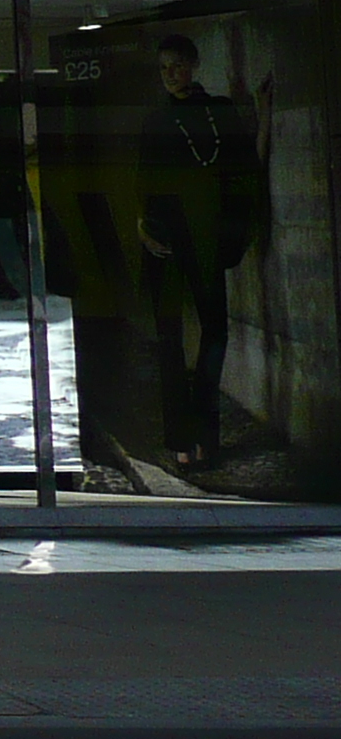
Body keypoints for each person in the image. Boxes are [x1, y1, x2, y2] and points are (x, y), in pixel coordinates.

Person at [136, 32, 266, 470]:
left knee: (211, 332)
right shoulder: (159, 119)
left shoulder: (217, 112)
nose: (170, 74)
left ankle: (201, 435)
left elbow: (245, 167)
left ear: (193, 64)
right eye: (163, 67)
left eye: (176, 64)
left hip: (203, 238)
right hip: (169, 240)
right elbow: (145, 187)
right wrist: (143, 226)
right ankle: (184, 439)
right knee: (173, 339)